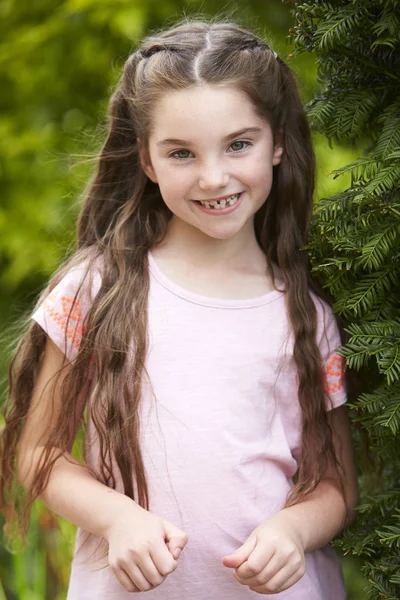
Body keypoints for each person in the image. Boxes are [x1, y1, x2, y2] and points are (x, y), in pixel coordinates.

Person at [0, 18, 358, 600]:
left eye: (238, 144)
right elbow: (38, 452)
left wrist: (293, 530)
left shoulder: (305, 315)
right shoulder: (96, 288)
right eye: (181, 153)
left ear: (278, 143)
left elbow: (336, 483)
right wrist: (116, 518)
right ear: (145, 160)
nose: (213, 176)